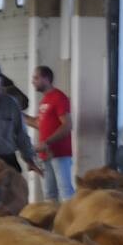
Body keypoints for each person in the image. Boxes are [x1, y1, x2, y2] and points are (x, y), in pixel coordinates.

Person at [25, 65, 74, 201]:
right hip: (45, 154)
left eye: (36, 78)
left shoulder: (59, 97)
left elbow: (67, 125)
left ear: (46, 79)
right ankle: (52, 221)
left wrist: (47, 142)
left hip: (59, 153)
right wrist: (18, 114)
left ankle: (72, 221)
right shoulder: (45, 100)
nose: (33, 81)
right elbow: (38, 123)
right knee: (49, 194)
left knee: (66, 192)